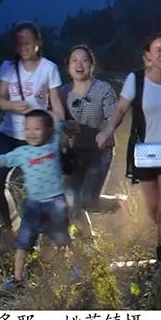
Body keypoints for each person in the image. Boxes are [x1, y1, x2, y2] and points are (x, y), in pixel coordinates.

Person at [96, 34, 161, 263]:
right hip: (147, 150)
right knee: (152, 206)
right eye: (158, 49)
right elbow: (121, 109)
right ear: (148, 56)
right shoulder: (136, 80)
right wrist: (107, 131)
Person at [0, 110, 74, 290]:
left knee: (64, 238)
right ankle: (18, 280)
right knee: (22, 243)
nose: (31, 133)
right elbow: (1, 160)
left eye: (37, 129)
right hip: (33, 206)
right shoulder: (22, 152)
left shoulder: (53, 144)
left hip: (55, 204)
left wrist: (69, 126)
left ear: (48, 130)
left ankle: (77, 267)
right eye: (27, 129)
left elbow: (61, 126)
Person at [0, 22, 65, 230]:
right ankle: (12, 226)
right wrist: (12, 105)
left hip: (37, 136)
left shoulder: (49, 68)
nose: (24, 47)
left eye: (28, 42)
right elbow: (1, 100)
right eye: (19, 43)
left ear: (39, 42)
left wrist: (58, 123)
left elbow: (56, 103)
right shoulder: (8, 67)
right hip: (9, 133)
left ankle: (48, 232)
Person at [58, 44, 126, 238]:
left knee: (88, 199)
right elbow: (54, 118)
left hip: (100, 151)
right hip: (74, 152)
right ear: (68, 67)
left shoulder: (103, 90)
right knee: (72, 200)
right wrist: (64, 126)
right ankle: (88, 240)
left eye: (84, 60)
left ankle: (118, 204)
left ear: (92, 65)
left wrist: (103, 133)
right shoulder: (62, 92)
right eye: (74, 60)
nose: (79, 65)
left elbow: (114, 117)